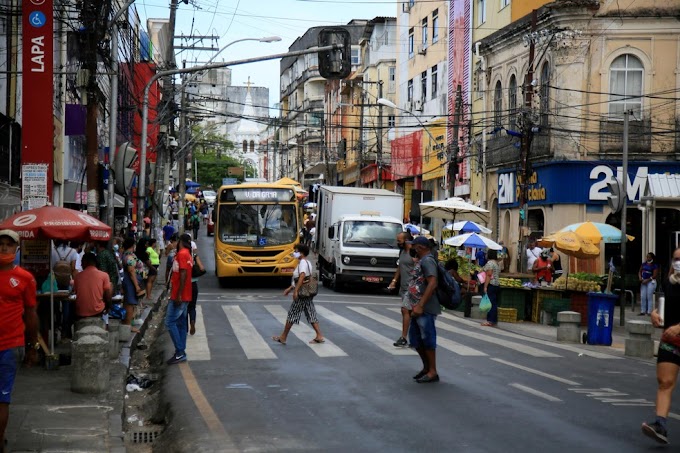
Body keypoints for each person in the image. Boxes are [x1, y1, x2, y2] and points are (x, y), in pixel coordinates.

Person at [0, 230, 38, 452]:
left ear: (16, 249)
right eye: (1, 244)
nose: (4, 248)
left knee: (3, 398)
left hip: (10, 346)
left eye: (8, 244)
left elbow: (31, 314)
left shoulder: (25, 278)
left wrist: (32, 347)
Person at [642, 248, 680, 444]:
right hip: (671, 340)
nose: (677, 262)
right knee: (665, 382)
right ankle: (660, 425)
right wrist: (654, 314)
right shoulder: (669, 283)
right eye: (675, 259)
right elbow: (662, 305)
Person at [404, 236, 440, 383]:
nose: (413, 249)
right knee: (415, 339)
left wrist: (421, 305)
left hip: (425, 307)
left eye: (415, 246)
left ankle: (433, 371)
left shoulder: (428, 260)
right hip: (417, 307)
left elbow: (432, 283)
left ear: (421, 247)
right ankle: (426, 368)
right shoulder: (421, 260)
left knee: (427, 339)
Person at [272, 244, 324, 345]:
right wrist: (290, 288)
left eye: (296, 251)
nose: (294, 253)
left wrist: (295, 291)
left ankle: (283, 337)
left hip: (302, 293)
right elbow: (301, 278)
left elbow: (302, 277)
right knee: (310, 312)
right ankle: (319, 335)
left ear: (301, 253)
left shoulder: (303, 263)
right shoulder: (306, 262)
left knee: (292, 314)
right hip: (307, 292)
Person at [166, 233, 193, 364]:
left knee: (170, 322)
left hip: (180, 295)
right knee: (181, 324)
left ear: (180, 241)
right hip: (185, 294)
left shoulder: (182, 254)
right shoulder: (187, 253)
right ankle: (181, 351)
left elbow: (183, 274)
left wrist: (178, 295)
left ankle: (180, 351)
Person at [388, 231, 415, 347]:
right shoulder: (402, 251)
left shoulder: (414, 253)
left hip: (412, 287)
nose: (397, 243)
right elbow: (400, 267)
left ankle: (404, 337)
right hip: (404, 286)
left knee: (405, 310)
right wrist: (394, 281)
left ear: (407, 240)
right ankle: (415, 338)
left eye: (399, 241)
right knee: (410, 312)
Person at [73, 252, 112, 319]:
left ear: (85, 262)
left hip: (80, 312)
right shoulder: (104, 275)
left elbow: (76, 292)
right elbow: (107, 295)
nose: (81, 265)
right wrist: (108, 307)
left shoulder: (77, 277)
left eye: (82, 262)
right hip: (97, 310)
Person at [121, 237, 145, 327]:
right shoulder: (129, 257)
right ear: (133, 245)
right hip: (131, 281)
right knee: (130, 303)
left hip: (131, 280)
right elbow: (131, 271)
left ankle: (128, 324)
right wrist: (136, 286)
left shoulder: (128, 255)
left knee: (129, 302)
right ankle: (128, 325)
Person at [187, 238, 205, 336]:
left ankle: (184, 328)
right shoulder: (194, 256)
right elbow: (202, 268)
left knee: (184, 307)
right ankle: (192, 321)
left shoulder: (182, 256)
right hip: (194, 284)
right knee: (192, 307)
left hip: (185, 284)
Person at [481, 250, 501, 327]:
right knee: (494, 303)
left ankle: (490, 321)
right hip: (496, 285)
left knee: (490, 304)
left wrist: (485, 286)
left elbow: (489, 275)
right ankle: (494, 320)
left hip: (491, 285)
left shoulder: (490, 263)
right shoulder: (496, 263)